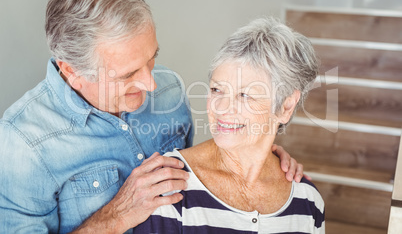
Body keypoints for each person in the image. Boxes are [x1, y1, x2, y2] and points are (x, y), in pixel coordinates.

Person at [0, 0, 304, 233]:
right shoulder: (22, 143)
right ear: (72, 72)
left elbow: (199, 167)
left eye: (152, 58)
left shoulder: (169, 90)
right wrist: (115, 217)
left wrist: (257, 150)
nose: (151, 84)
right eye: (128, 74)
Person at [134, 17, 325, 233]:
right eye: (217, 89)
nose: (222, 108)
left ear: (285, 106)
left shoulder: (307, 201)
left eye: (244, 95)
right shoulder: (169, 187)